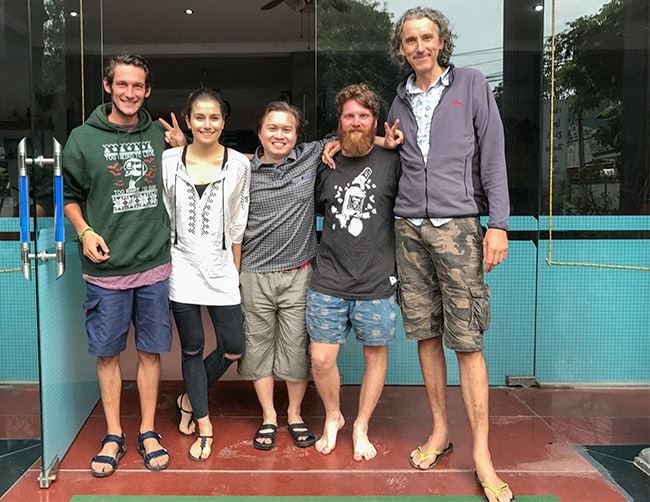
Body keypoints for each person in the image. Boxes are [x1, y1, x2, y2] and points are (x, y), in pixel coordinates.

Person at [388, 7, 513, 502]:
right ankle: (440, 432)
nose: (420, 46)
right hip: (408, 230)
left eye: (428, 37)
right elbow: (389, 147)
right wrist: (347, 144)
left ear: (442, 42)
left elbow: (494, 155)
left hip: (458, 227)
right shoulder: (397, 101)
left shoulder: (471, 85)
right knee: (425, 333)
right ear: (401, 48)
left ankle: (482, 453)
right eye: (411, 39)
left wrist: (497, 224)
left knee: (467, 341)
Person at [238, 101, 401, 451]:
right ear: (259, 131)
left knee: (336, 352)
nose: (279, 134)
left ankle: (344, 424)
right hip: (296, 275)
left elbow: (358, 140)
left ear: (298, 136)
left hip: (345, 276)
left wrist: (388, 142)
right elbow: (214, 161)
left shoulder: (318, 156)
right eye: (272, 127)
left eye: (287, 129)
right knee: (296, 354)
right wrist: (182, 146)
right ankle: (292, 416)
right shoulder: (247, 167)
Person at [63, 52, 184, 477]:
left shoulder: (160, 135)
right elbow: (70, 197)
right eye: (122, 85)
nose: (129, 93)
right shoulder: (82, 138)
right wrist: (84, 231)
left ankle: (148, 430)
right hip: (106, 270)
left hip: (153, 264)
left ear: (147, 91)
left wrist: (183, 148)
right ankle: (113, 433)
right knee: (109, 354)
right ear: (108, 87)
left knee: (151, 353)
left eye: (137, 86)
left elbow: (186, 178)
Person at [307, 84, 400, 462]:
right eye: (349, 116)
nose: (356, 122)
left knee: (374, 357)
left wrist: (382, 140)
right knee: (320, 359)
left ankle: (361, 424)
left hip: (377, 282)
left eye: (364, 116)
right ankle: (334, 417)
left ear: (374, 120)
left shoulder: (392, 159)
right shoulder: (323, 161)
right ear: (339, 122)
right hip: (328, 278)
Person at [161, 88, 250, 461]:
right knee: (193, 347)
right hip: (180, 266)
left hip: (220, 267)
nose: (208, 124)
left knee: (234, 346)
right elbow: (163, 212)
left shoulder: (239, 164)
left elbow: (238, 221)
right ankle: (203, 420)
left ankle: (187, 397)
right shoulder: (168, 160)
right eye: (200, 117)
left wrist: (235, 271)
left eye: (214, 117)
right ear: (188, 120)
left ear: (223, 122)